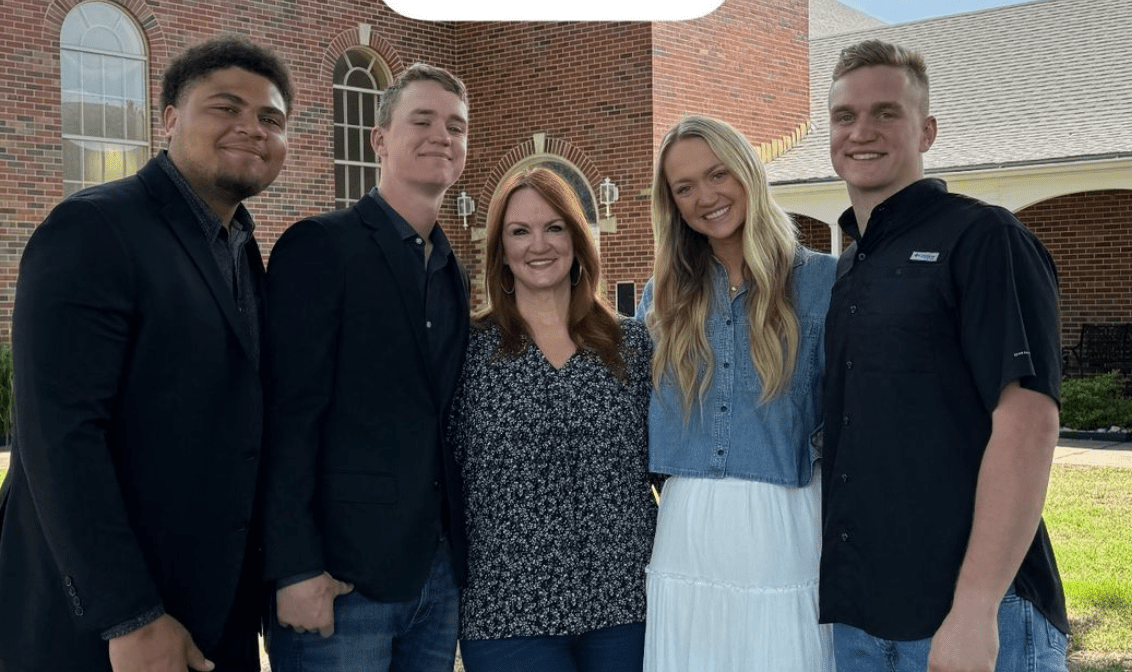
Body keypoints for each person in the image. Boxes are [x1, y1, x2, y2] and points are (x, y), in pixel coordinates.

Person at [0, 35, 292, 672]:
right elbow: (58, 436)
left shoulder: (241, 249)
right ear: (168, 118)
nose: (251, 128)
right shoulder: (94, 229)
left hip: (208, 615)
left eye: (271, 118)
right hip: (96, 634)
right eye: (226, 107)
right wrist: (130, 616)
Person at [820, 39, 1069, 672]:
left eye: (886, 113)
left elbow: (1028, 423)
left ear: (927, 130)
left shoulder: (985, 239)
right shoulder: (850, 268)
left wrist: (976, 609)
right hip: (862, 620)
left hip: (973, 618)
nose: (861, 131)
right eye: (845, 116)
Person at [260, 63, 470, 672]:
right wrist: (295, 567)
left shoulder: (450, 269)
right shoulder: (321, 247)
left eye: (455, 127)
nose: (441, 137)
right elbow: (287, 416)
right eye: (422, 120)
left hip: (436, 579)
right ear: (379, 139)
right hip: (340, 581)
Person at [636, 115, 837, 671]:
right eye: (684, 187)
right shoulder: (663, 298)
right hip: (689, 525)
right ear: (672, 203)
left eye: (718, 174)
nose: (706, 196)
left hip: (785, 522)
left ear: (748, 172)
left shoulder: (825, 282)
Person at [448, 167, 656, 672]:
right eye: (519, 231)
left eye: (554, 227)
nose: (537, 245)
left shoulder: (630, 344)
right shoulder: (467, 350)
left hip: (625, 602)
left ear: (577, 238)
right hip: (508, 612)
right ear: (499, 249)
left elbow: (666, 465)